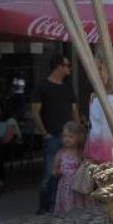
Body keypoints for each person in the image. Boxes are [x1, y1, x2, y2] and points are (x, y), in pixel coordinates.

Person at [31, 53, 80, 214]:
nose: (69, 68)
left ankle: (59, 203)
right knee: (50, 173)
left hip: (70, 137)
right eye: (67, 65)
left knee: (69, 171)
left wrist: (78, 131)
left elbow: (74, 110)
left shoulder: (67, 86)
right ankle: (44, 206)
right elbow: (35, 111)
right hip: (52, 136)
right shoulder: (42, 86)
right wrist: (45, 133)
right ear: (59, 66)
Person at [53, 121, 88, 213]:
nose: (67, 139)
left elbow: (85, 168)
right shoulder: (60, 154)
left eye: (70, 137)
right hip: (65, 187)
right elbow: (55, 169)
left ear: (78, 138)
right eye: (64, 136)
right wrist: (58, 172)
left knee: (78, 206)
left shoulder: (80, 154)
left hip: (77, 186)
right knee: (67, 207)